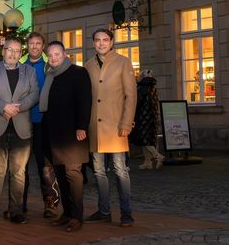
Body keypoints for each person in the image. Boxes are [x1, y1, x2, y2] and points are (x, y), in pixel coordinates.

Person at [0, 37, 39, 227]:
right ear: (3, 51)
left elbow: (34, 94)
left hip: (21, 129)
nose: (13, 54)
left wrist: (17, 108)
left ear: (21, 54)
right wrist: (3, 106)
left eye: (17, 51)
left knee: (19, 173)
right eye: (9, 50)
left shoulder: (28, 71)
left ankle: (16, 211)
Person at [85, 28, 137, 227]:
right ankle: (104, 211)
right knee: (98, 171)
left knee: (120, 170)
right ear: (93, 43)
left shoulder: (123, 62)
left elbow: (131, 96)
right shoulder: (88, 65)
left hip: (116, 126)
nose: (101, 43)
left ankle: (126, 213)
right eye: (97, 40)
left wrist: (126, 123)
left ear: (112, 41)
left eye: (105, 40)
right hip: (95, 127)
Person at [41, 41, 91, 233]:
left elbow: (84, 101)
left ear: (64, 54)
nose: (54, 58)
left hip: (72, 134)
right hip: (53, 132)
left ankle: (77, 216)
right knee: (60, 174)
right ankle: (67, 213)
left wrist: (81, 126)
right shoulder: (50, 75)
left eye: (57, 54)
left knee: (73, 174)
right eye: (51, 55)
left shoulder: (77, 73)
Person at [21, 32, 60, 218]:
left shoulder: (50, 65)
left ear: (42, 46)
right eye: (31, 43)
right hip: (22, 122)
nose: (35, 47)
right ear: (27, 46)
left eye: (38, 44)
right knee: (20, 166)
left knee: (45, 165)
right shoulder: (19, 65)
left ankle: (50, 202)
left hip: (44, 122)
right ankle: (19, 204)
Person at [131, 70, 164, 170]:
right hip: (152, 117)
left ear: (142, 77)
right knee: (148, 139)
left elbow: (136, 103)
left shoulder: (142, 88)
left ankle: (158, 156)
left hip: (143, 117)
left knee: (144, 139)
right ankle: (147, 162)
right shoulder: (153, 88)